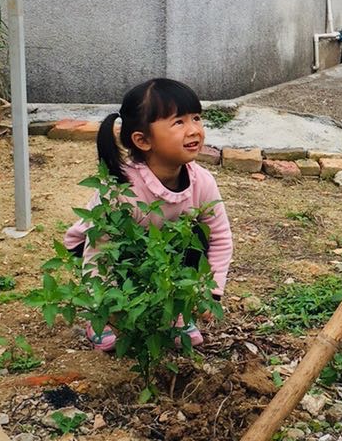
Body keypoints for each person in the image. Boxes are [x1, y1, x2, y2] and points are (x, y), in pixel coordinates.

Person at [64, 78, 233, 352]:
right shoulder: (122, 189)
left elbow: (221, 237)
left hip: (159, 248)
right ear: (142, 140)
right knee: (116, 252)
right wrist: (105, 305)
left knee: (197, 239)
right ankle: (100, 318)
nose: (194, 130)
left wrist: (210, 291)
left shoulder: (202, 182)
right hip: (107, 249)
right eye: (178, 122)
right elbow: (99, 248)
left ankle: (176, 315)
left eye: (196, 118)